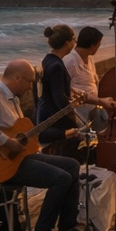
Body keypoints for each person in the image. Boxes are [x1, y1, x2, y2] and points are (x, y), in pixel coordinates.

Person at [0, 59, 86, 231]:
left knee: (72, 165)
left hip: (20, 158)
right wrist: (6, 142)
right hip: (3, 165)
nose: (31, 87)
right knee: (61, 179)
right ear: (17, 78)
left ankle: (67, 228)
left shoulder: (12, 99)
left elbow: (22, 133)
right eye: (29, 81)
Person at [36, 25, 80, 158]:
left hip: (43, 116)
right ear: (67, 43)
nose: (75, 42)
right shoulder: (57, 66)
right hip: (56, 120)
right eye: (73, 39)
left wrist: (71, 90)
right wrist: (73, 115)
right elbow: (59, 97)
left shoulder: (47, 60)